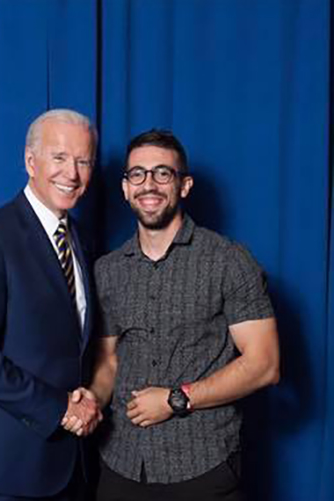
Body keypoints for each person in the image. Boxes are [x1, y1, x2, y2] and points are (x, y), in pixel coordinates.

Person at [86, 129, 280, 501]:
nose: (149, 185)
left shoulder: (228, 261)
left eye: (163, 173)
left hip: (202, 464)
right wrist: (89, 401)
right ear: (125, 188)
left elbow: (265, 364)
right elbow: (108, 363)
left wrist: (176, 399)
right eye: (137, 174)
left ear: (184, 185)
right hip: (122, 464)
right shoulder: (107, 271)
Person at [0, 109, 103, 500]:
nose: (72, 173)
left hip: (68, 466)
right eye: (60, 158)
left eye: (83, 161)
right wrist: (60, 408)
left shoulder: (80, 240)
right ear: (31, 162)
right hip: (4, 471)